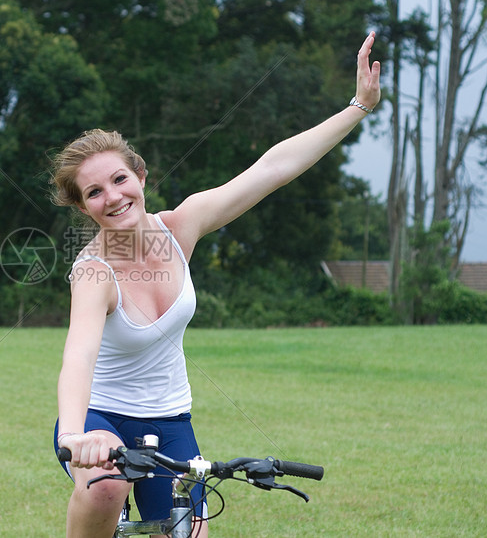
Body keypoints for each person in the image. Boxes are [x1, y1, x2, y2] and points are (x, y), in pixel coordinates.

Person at [50, 32, 381, 537]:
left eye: (119, 179)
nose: (112, 197)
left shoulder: (181, 227)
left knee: (190, 532)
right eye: (94, 192)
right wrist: (75, 435)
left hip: (170, 420)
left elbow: (271, 168)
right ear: (82, 207)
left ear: (140, 175)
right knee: (106, 483)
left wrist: (358, 106)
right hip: (101, 420)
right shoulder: (95, 271)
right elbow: (78, 356)